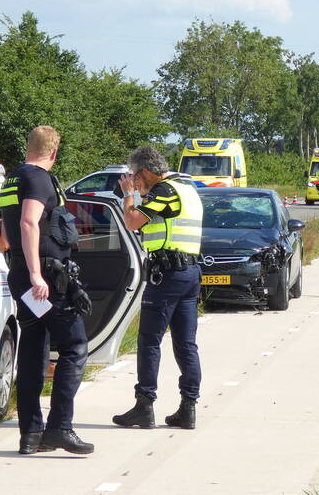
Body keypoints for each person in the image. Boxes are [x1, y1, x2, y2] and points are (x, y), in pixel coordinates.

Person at [0, 126, 93, 455]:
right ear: (54, 152)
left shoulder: (12, 179)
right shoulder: (39, 178)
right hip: (45, 282)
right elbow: (28, 222)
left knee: (34, 350)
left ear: (29, 146)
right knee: (75, 347)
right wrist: (39, 273)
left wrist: (23, 269)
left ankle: (31, 436)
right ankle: (60, 428)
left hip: (23, 279)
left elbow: (3, 230)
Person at [112, 146, 204, 431]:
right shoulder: (187, 187)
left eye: (136, 178)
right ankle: (188, 408)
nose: (136, 184)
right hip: (189, 272)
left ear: (146, 171)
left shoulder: (164, 190)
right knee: (185, 343)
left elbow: (132, 221)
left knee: (149, 341)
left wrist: (129, 195)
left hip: (167, 275)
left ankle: (144, 405)